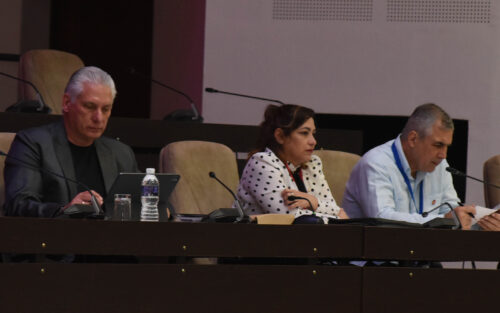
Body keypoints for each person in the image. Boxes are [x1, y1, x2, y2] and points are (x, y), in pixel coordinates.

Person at [3, 66, 139, 217]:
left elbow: (146, 200)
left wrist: (165, 211)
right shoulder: (33, 144)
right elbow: (18, 204)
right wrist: (66, 209)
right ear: (67, 102)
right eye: (89, 107)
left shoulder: (120, 153)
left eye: (105, 109)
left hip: (112, 239)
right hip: (52, 237)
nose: (98, 118)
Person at [342, 103, 475, 229]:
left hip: (421, 249)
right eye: (438, 145)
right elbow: (382, 220)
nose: (443, 155)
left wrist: (467, 218)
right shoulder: (375, 164)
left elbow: (450, 210)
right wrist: (442, 221)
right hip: (374, 249)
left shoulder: (439, 166)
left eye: (447, 147)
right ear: (413, 139)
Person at [235, 104, 348, 221]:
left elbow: (335, 209)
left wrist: (314, 203)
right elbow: (290, 219)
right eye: (304, 133)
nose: (313, 141)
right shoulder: (262, 163)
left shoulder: (313, 164)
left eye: (313, 133)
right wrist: (326, 211)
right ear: (280, 136)